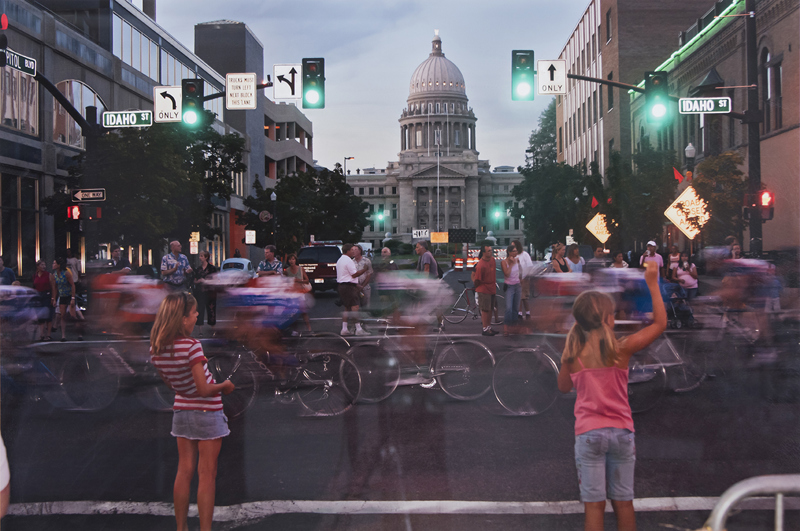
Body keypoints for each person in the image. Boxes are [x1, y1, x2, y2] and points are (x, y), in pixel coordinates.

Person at [558, 262, 666, 531]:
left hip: (589, 434)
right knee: (624, 502)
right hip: (621, 432)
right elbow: (660, 323)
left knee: (594, 506)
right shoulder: (622, 349)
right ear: (608, 319)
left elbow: (562, 387)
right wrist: (652, 283)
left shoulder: (573, 354)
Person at [150, 292, 235, 531]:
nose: (197, 315)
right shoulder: (192, 346)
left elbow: (172, 384)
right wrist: (225, 386)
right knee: (206, 474)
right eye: (194, 313)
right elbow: (204, 389)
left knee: (184, 470)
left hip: (182, 410)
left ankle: (181, 527)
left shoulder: (157, 348)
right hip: (207, 411)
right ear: (183, 319)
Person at [336, 243, 369, 336]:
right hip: (349, 287)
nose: (353, 252)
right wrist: (364, 270)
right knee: (355, 307)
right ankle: (358, 329)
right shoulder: (348, 260)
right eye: (352, 250)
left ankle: (344, 328)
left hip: (342, 286)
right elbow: (354, 274)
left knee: (347, 307)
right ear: (348, 251)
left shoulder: (340, 260)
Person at [52, 257, 81, 341]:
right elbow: (55, 287)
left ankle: (79, 333)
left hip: (69, 295)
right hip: (62, 296)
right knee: (62, 315)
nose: (53, 265)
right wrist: (54, 298)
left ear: (58, 265)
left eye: (54, 263)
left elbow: (72, 285)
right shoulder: (55, 275)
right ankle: (63, 336)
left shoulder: (66, 273)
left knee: (73, 315)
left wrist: (72, 298)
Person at [473, 243, 498, 336]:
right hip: (484, 289)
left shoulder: (492, 260)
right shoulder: (480, 265)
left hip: (491, 288)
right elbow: (477, 280)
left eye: (491, 250)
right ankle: (485, 328)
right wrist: (477, 288)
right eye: (489, 251)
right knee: (485, 310)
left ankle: (489, 327)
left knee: (491, 308)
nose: (491, 252)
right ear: (483, 252)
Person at [284, 253, 313, 333]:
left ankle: (309, 328)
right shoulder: (287, 271)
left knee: (303, 311)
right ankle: (295, 330)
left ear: (295, 260)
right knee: (293, 312)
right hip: (292, 293)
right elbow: (285, 281)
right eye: (290, 259)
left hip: (300, 292)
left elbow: (307, 280)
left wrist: (299, 280)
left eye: (293, 259)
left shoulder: (301, 269)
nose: (291, 261)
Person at [193, 250, 218, 332]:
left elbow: (216, 280)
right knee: (200, 309)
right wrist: (199, 281)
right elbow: (194, 280)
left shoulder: (212, 268)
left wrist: (206, 281)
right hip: (200, 292)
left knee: (211, 309)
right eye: (200, 256)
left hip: (210, 292)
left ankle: (212, 328)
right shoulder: (198, 269)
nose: (200, 258)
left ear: (206, 257)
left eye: (201, 256)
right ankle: (200, 329)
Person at [501, 244, 522, 336]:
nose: (516, 253)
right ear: (509, 252)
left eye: (516, 251)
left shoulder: (518, 260)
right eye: (514, 251)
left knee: (515, 308)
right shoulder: (504, 262)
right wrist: (511, 264)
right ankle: (506, 327)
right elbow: (507, 274)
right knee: (509, 308)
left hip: (517, 285)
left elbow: (520, 272)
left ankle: (514, 326)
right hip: (509, 286)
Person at [33, 260, 54, 341]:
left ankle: (48, 335)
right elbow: (34, 286)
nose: (43, 266)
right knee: (40, 316)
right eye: (42, 265)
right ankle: (41, 334)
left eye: (44, 265)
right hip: (38, 295)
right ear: (38, 266)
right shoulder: (35, 275)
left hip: (47, 295)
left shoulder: (49, 275)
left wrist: (53, 298)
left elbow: (53, 287)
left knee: (48, 315)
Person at [513, 240, 533, 320]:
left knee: (524, 297)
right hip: (516, 279)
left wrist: (525, 276)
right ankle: (520, 313)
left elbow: (529, 265)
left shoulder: (524, 254)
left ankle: (527, 313)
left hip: (524, 278)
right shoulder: (513, 256)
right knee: (519, 297)